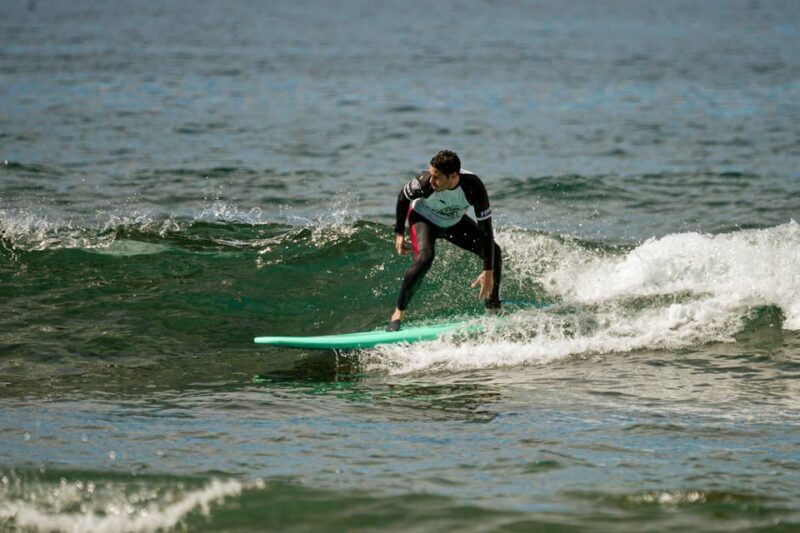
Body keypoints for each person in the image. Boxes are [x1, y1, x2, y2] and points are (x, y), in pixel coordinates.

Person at [387, 150, 502, 331]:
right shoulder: (424, 183)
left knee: (495, 252)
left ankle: (493, 308)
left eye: (437, 177)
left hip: (453, 223)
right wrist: (399, 232)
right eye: (431, 174)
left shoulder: (473, 187)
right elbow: (402, 198)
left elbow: (486, 230)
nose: (432, 181)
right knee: (425, 258)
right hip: (423, 219)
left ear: (453, 176)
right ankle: (398, 312)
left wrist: (488, 272)